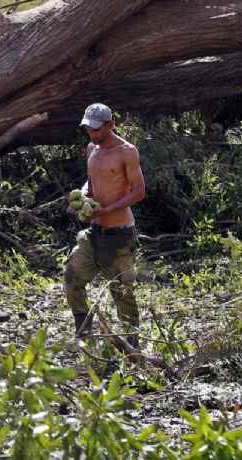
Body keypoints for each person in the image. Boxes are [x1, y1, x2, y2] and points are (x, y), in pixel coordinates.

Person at [64, 103, 145, 349]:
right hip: (94, 232)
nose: (93, 134)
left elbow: (139, 191)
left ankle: (133, 343)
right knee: (71, 277)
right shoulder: (92, 149)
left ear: (111, 125)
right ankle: (83, 333)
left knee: (122, 292)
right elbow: (91, 183)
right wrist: (83, 203)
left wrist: (107, 210)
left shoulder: (126, 151)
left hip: (119, 234)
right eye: (89, 129)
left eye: (97, 129)